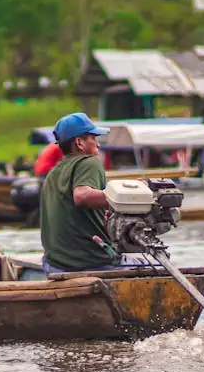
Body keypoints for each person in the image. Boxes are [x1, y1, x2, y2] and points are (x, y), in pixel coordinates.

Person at [40, 112, 156, 274]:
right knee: (154, 264)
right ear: (79, 143)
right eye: (93, 138)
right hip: (89, 263)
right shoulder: (89, 162)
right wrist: (130, 198)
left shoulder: (53, 173)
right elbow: (81, 196)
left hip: (54, 264)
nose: (98, 144)